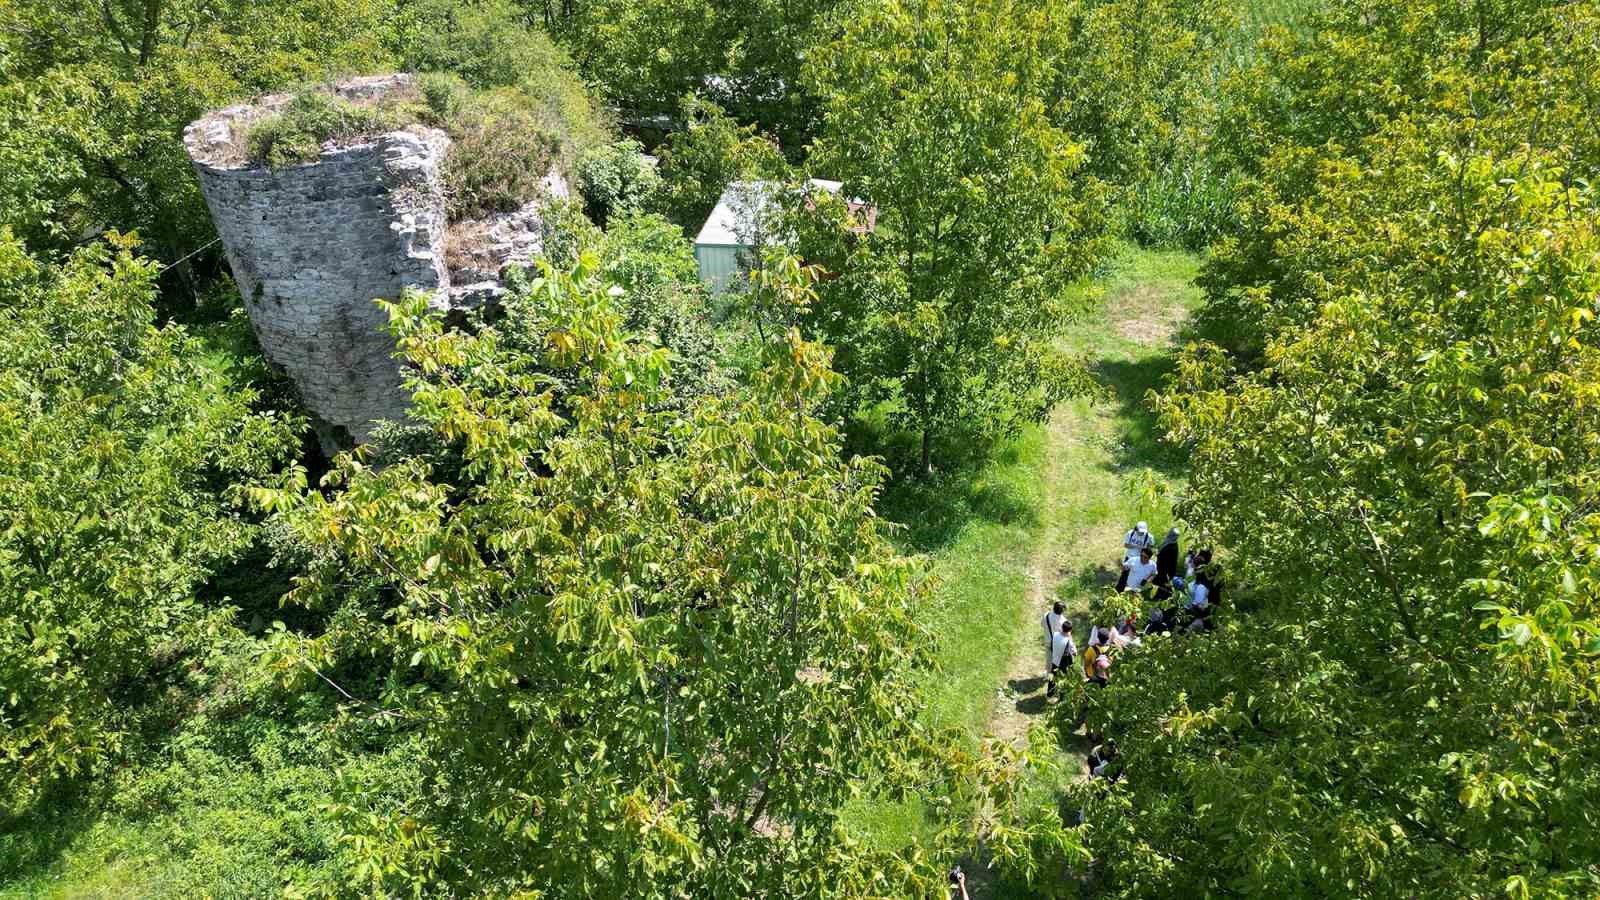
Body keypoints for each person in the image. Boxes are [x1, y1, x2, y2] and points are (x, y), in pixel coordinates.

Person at [1117, 521, 1155, 590]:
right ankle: (1119, 589)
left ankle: (1133, 590)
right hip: (1129, 558)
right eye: (1139, 531)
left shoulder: (1149, 537)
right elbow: (1126, 545)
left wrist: (1145, 549)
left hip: (1140, 560)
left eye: (1143, 532)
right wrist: (1137, 546)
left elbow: (1151, 547)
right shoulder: (1130, 533)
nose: (1141, 533)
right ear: (1136, 529)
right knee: (1124, 575)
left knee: (1137, 577)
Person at [1046, 621, 1077, 697]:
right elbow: (1074, 653)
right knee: (1064, 678)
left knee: (1052, 676)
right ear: (1070, 630)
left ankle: (1050, 693)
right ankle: (1062, 696)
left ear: (1062, 628)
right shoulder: (1068, 640)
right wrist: (1070, 637)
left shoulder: (1055, 634)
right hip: (1064, 661)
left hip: (1055, 659)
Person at [1042, 602, 1065, 676]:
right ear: (1061, 611)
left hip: (1047, 640)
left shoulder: (1046, 615)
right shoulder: (1062, 621)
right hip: (1057, 643)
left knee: (1048, 657)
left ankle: (1048, 672)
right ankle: (1055, 674)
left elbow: (1042, 624)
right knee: (1057, 659)